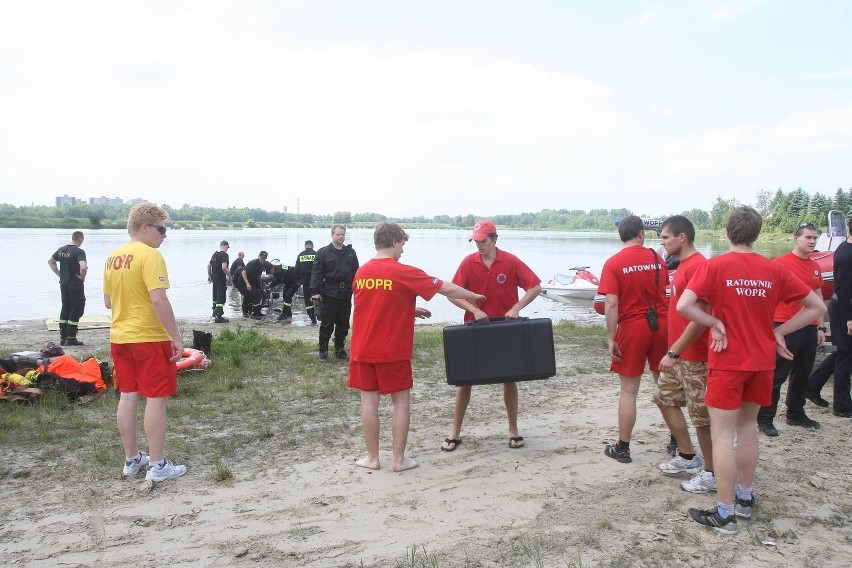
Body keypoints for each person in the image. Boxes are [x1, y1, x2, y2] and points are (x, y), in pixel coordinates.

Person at [678, 206, 825, 535]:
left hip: (728, 361)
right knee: (747, 429)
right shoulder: (773, 269)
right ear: (756, 234)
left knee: (722, 434)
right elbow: (817, 307)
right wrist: (780, 331)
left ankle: (726, 513)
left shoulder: (716, 266)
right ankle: (744, 498)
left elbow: (683, 305)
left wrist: (715, 321)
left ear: (728, 233)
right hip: (761, 361)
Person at [350, 222, 486, 471]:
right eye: (402, 245)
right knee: (400, 402)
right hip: (392, 350)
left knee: (368, 402)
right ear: (394, 242)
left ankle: (372, 458)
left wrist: (408, 309)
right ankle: (399, 460)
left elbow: (374, 305)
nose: (402, 251)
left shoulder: (362, 273)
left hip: (362, 348)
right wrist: (473, 296)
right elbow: (445, 287)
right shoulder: (402, 271)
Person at [103, 203, 187, 482]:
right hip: (149, 336)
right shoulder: (149, 256)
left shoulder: (113, 257)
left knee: (128, 395)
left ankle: (132, 458)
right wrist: (175, 337)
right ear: (145, 227)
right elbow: (158, 299)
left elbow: (108, 301)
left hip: (121, 337)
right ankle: (158, 464)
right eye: (162, 229)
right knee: (156, 398)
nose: (165, 236)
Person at [441, 220, 541, 452]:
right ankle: (454, 433)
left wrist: (517, 308)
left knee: (509, 378)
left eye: (483, 241)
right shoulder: (468, 262)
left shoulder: (510, 261)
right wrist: (473, 310)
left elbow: (535, 286)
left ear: (495, 239)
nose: (479, 245)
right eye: (475, 241)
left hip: (505, 328)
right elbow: (451, 294)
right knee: (465, 381)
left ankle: (513, 430)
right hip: (475, 327)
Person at [598, 215, 669, 463]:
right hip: (662, 325)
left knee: (629, 391)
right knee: (664, 386)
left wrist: (611, 337)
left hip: (633, 327)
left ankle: (623, 447)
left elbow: (611, 303)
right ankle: (675, 439)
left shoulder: (614, 262)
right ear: (641, 233)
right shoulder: (656, 258)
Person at [656, 216, 715, 493]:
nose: (662, 242)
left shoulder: (700, 266)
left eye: (666, 237)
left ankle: (713, 473)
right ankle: (688, 456)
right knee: (664, 399)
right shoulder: (681, 265)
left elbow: (701, 317)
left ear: (682, 237)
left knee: (701, 417)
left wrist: (674, 351)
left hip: (695, 356)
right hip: (678, 355)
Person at [756, 222, 826, 435]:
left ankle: (795, 413)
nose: (812, 241)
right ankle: (765, 417)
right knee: (778, 373)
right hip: (784, 325)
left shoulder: (815, 265)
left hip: (809, 326)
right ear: (796, 239)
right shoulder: (780, 264)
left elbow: (818, 295)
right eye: (808, 237)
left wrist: (821, 327)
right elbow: (767, 295)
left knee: (803, 372)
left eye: (815, 238)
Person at [310, 225, 359, 361]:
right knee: (327, 323)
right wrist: (315, 292)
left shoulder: (350, 253)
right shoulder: (323, 252)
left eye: (343, 234)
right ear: (332, 235)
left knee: (343, 323)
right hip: (329, 292)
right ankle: (323, 351)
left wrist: (359, 289)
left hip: (346, 293)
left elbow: (357, 272)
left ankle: (339, 349)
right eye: (338, 234)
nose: (341, 237)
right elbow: (316, 273)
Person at [826, 214, 852, 418]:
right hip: (844, 308)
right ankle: (842, 406)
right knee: (846, 355)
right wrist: (849, 318)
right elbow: (843, 290)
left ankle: (813, 384)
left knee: (843, 352)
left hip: (845, 307)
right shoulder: (847, 254)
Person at [48, 231, 88, 346]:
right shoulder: (79, 251)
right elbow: (83, 267)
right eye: (82, 240)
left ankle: (63, 337)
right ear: (80, 239)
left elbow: (51, 262)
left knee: (65, 308)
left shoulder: (61, 250)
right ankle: (71, 338)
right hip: (75, 284)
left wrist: (60, 274)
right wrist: (82, 277)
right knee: (77, 308)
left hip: (64, 283)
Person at [241, 251, 274, 319]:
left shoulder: (262, 265)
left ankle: (256, 311)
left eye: (264, 258)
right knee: (254, 295)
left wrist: (260, 285)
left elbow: (259, 275)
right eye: (262, 258)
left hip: (253, 281)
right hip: (244, 280)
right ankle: (252, 313)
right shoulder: (253, 263)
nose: (263, 260)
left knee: (259, 293)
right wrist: (247, 284)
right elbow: (243, 272)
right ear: (259, 256)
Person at [207, 240, 231, 323]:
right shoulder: (225, 255)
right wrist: (230, 276)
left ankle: (214, 312)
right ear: (227, 247)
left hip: (214, 277)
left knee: (215, 295)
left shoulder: (215, 254)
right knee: (221, 296)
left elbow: (209, 266)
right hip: (221, 278)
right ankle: (218, 316)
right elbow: (224, 268)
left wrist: (209, 276)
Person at [296, 240, 318, 324]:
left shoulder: (301, 255)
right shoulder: (316, 254)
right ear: (312, 246)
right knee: (317, 295)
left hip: (305, 279)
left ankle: (312, 316)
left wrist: (298, 279)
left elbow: (297, 268)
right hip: (315, 279)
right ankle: (319, 313)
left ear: (305, 246)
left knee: (307, 297)